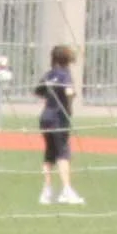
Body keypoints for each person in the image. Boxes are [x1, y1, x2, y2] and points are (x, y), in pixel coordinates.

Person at [36, 44, 84, 206]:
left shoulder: (49, 74)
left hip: (45, 117)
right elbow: (69, 92)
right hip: (59, 118)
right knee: (63, 153)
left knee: (49, 152)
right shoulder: (65, 74)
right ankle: (66, 190)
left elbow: (38, 91)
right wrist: (70, 102)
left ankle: (46, 191)